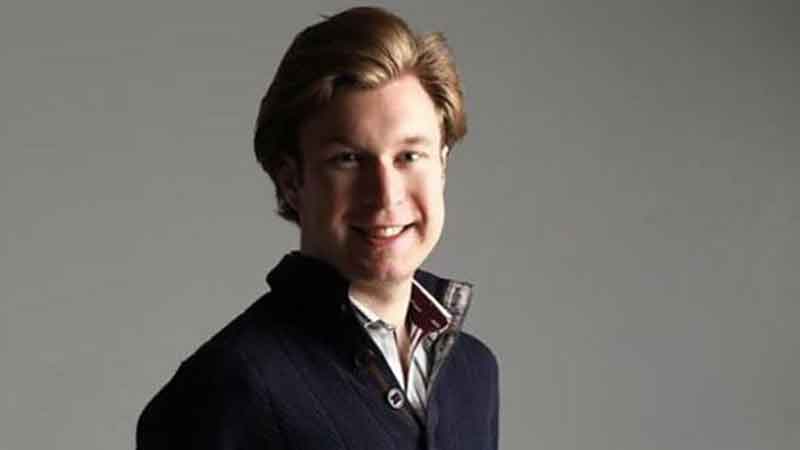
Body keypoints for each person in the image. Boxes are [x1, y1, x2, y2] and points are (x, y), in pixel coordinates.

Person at [136, 6, 499, 450]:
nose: (386, 195)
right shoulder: (225, 387)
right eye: (348, 159)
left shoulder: (473, 373)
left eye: (409, 156)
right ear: (292, 182)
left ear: (442, 165)